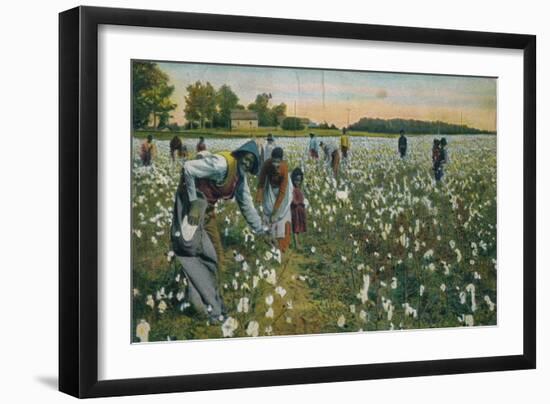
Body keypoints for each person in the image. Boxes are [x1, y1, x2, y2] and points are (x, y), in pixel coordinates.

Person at [170, 140, 266, 323]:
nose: (247, 164)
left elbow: (247, 207)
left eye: (251, 164)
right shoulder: (222, 164)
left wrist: (261, 230)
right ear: (240, 154)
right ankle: (203, 307)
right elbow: (188, 168)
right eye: (246, 159)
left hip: (207, 212)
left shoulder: (240, 178)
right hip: (191, 207)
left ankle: (212, 304)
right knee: (191, 253)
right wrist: (193, 203)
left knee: (216, 257)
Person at [255, 147, 293, 253]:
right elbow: (261, 184)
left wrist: (275, 211)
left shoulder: (284, 168)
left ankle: (281, 245)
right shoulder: (266, 165)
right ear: (271, 160)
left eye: (278, 163)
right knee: (267, 212)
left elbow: (282, 192)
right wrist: (258, 200)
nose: (276, 166)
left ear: (281, 161)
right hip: (270, 188)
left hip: (282, 191)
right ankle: (269, 242)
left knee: (282, 214)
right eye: (274, 162)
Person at [290, 167, 307, 250]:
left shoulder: (299, 189)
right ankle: (296, 244)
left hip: (300, 211)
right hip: (295, 211)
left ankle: (298, 243)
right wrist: (300, 203)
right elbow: (293, 201)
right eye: (296, 180)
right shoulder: (293, 189)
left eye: (299, 180)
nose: (298, 182)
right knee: (296, 228)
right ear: (293, 179)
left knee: (298, 227)